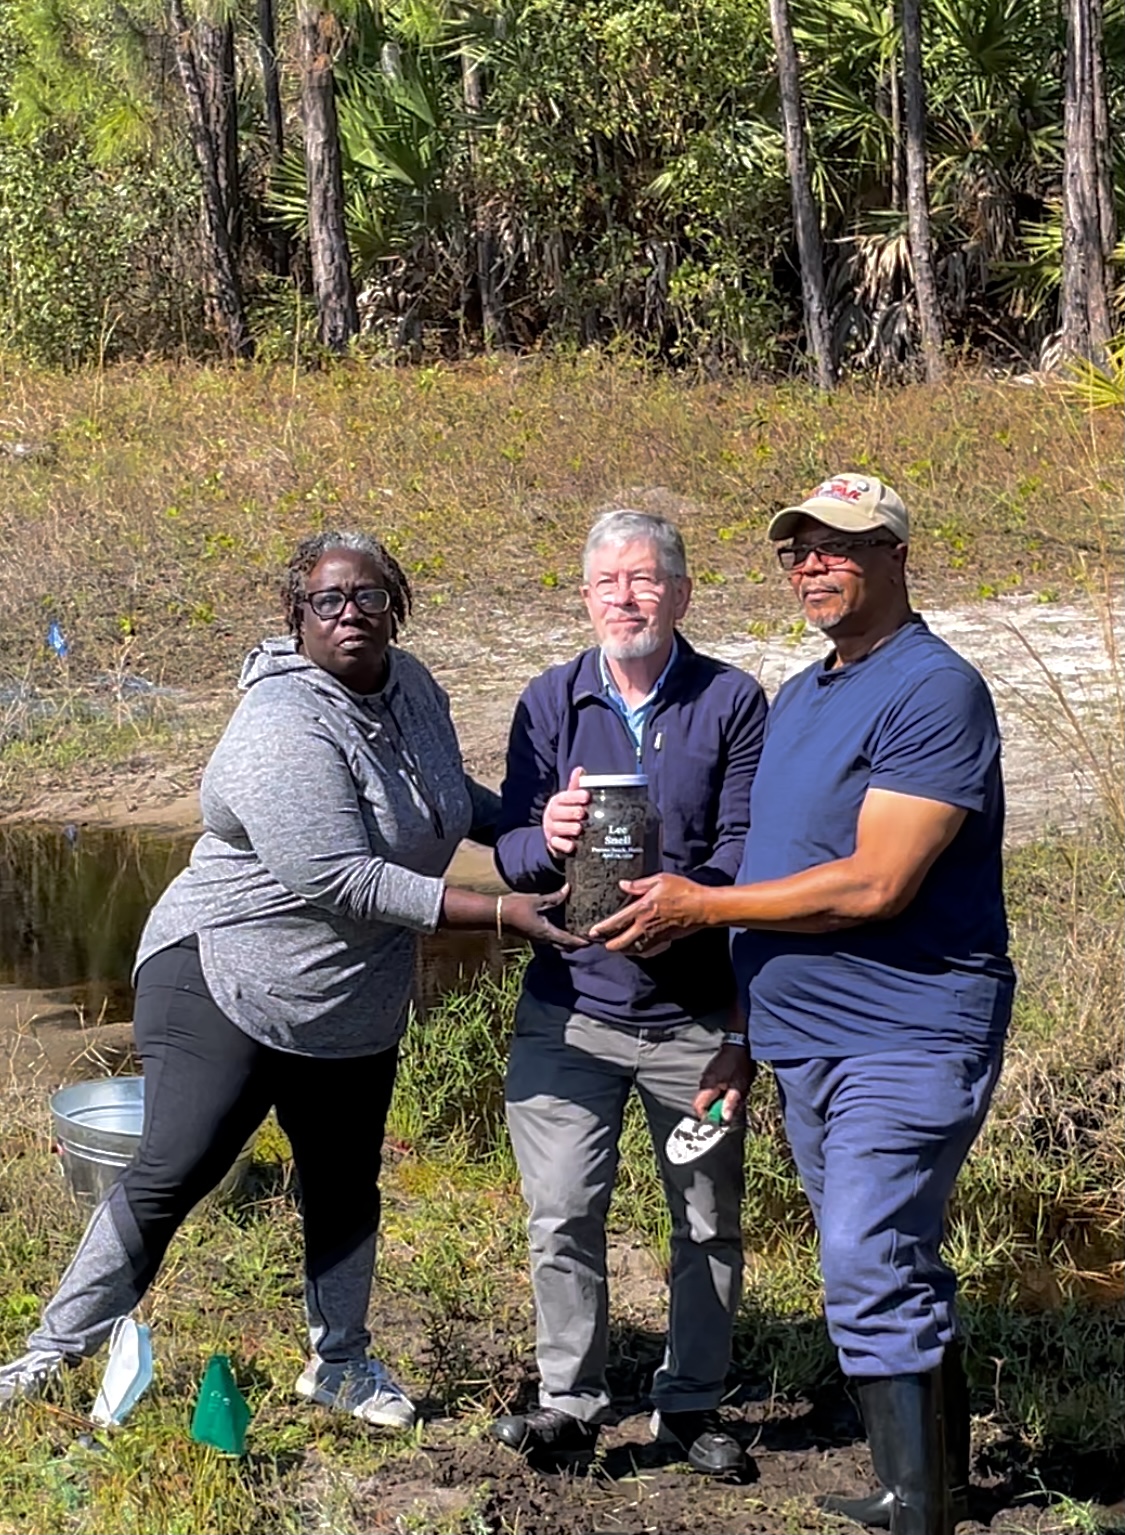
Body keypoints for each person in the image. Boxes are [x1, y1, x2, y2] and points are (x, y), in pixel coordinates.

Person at [0, 530, 582, 1425]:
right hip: (226, 968)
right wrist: (503, 911)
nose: (351, 614)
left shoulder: (414, 686)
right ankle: (49, 1352)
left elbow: (443, 795)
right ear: (296, 616)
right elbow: (341, 876)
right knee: (178, 1165)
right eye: (328, 601)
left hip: (351, 993)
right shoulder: (281, 723)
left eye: (370, 597)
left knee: (344, 1179)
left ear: (397, 604)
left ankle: (341, 1362)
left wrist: (536, 836)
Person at [593, 475, 1015, 1534]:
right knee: (887, 1253)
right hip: (805, 1036)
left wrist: (701, 903)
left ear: (895, 556)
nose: (813, 566)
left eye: (839, 547)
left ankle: (914, 1506)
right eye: (798, 551)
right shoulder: (805, 690)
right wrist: (743, 1032)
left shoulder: (935, 688)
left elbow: (877, 880)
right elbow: (788, 864)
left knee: (865, 1253)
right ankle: (930, 1484)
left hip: (908, 1028)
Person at [490, 509, 768, 1475]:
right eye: (608, 581)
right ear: (584, 596)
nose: (626, 597)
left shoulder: (732, 699)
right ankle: (569, 1399)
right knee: (563, 1210)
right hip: (569, 1010)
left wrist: (691, 903)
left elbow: (745, 849)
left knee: (705, 1221)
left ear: (682, 593)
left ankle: (689, 1407)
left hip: (693, 1014)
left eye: (645, 579)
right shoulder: (549, 699)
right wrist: (549, 834)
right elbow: (512, 856)